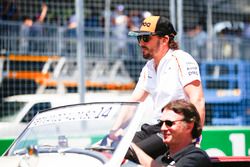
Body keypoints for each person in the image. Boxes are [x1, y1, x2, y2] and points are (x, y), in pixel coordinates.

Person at [108, 15, 205, 161]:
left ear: (165, 40)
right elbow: (132, 104)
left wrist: (194, 138)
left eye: (146, 38)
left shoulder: (182, 59)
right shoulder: (149, 67)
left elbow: (197, 99)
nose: (141, 43)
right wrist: (112, 133)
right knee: (105, 150)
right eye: (139, 38)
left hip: (175, 128)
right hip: (154, 127)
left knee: (125, 153)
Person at [130, 99, 212, 167]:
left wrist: (132, 147)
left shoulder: (197, 157)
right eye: (162, 123)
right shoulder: (160, 159)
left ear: (189, 126)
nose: (163, 128)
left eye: (169, 123)